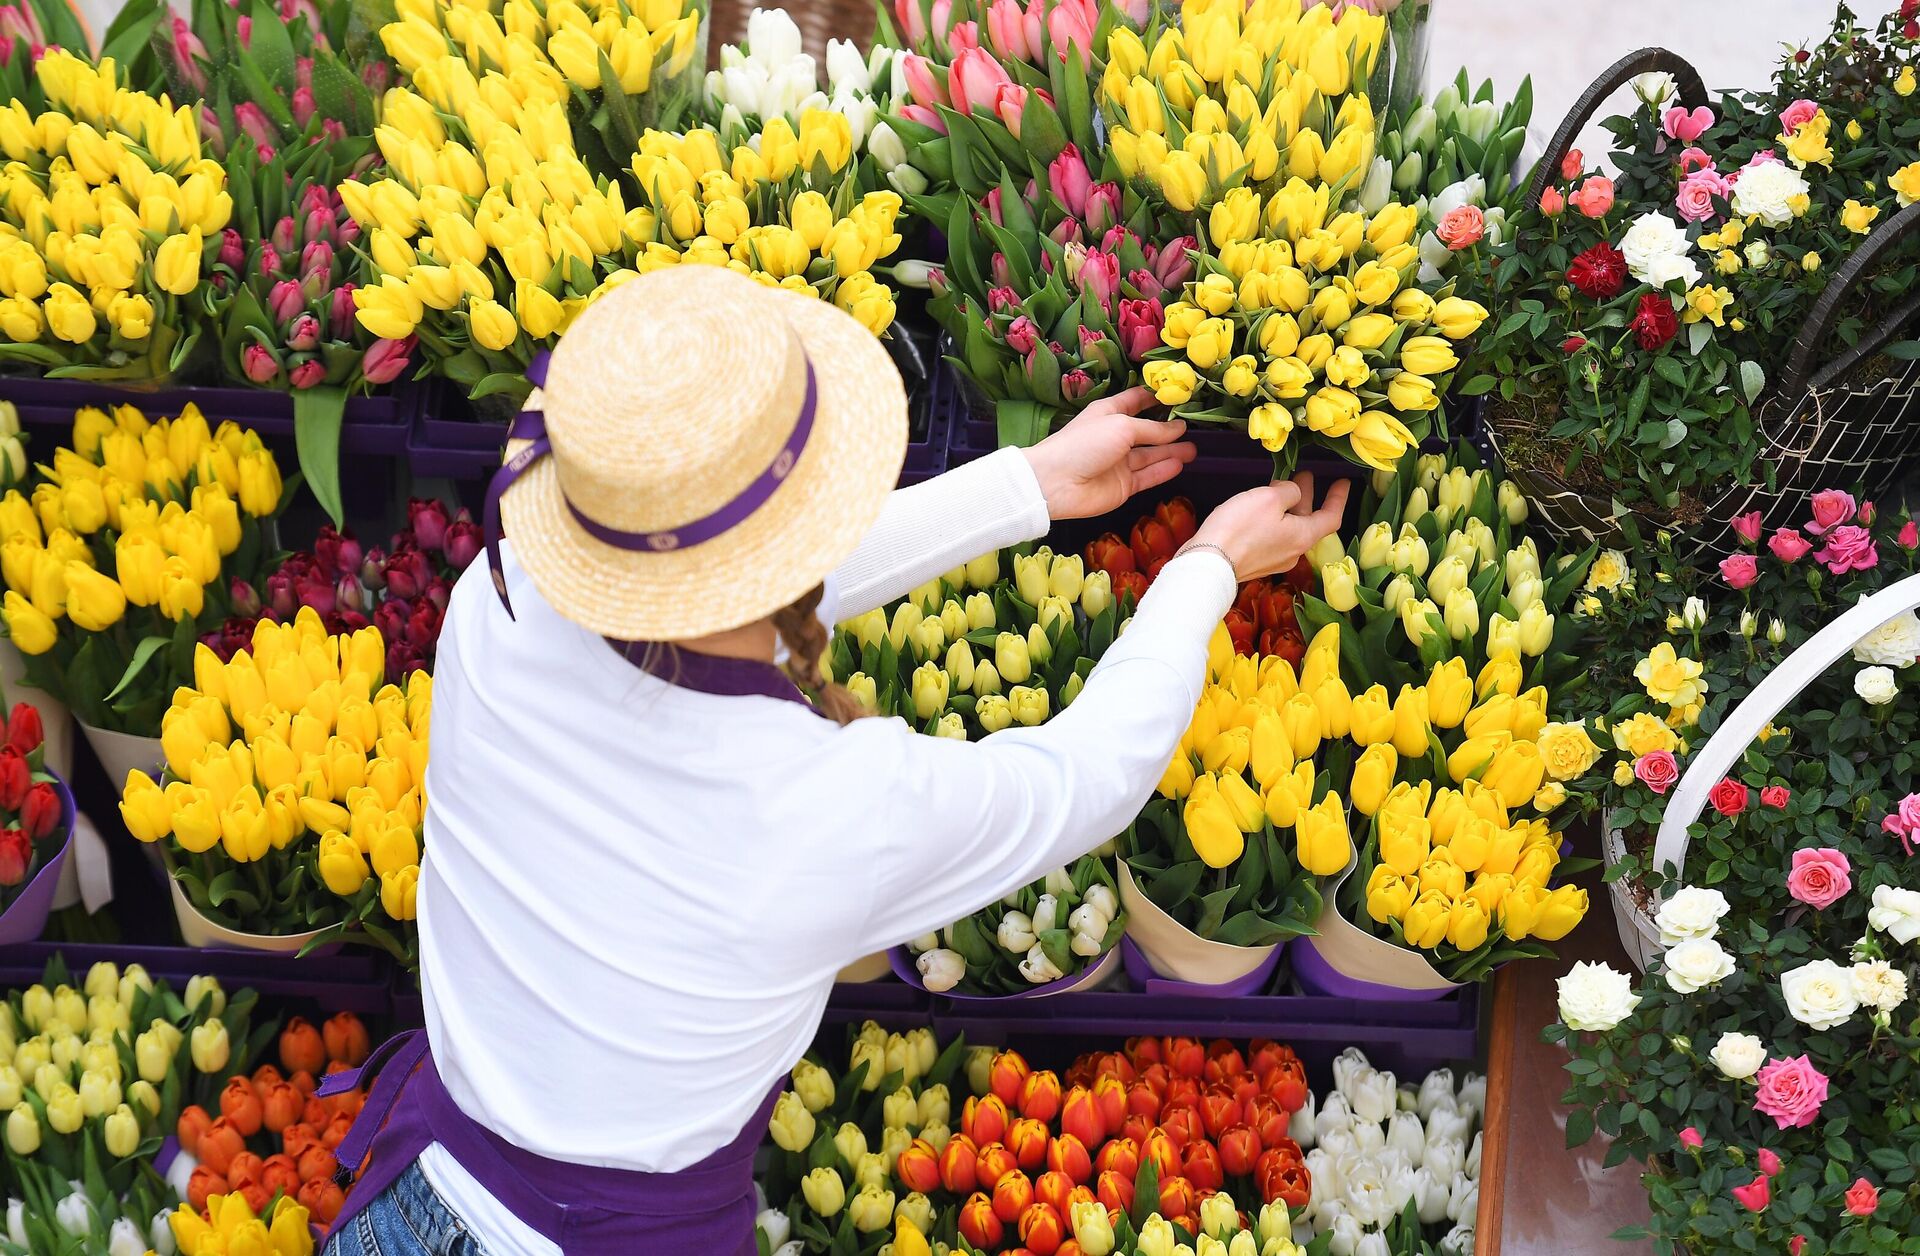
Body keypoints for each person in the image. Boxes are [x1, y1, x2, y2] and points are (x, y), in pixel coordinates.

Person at [321, 266, 1348, 1256]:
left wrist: (1027, 485)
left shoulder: (497, 606)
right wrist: (1207, 566)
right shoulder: (822, 805)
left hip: (408, 1201)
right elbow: (1085, 777)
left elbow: (722, 582)